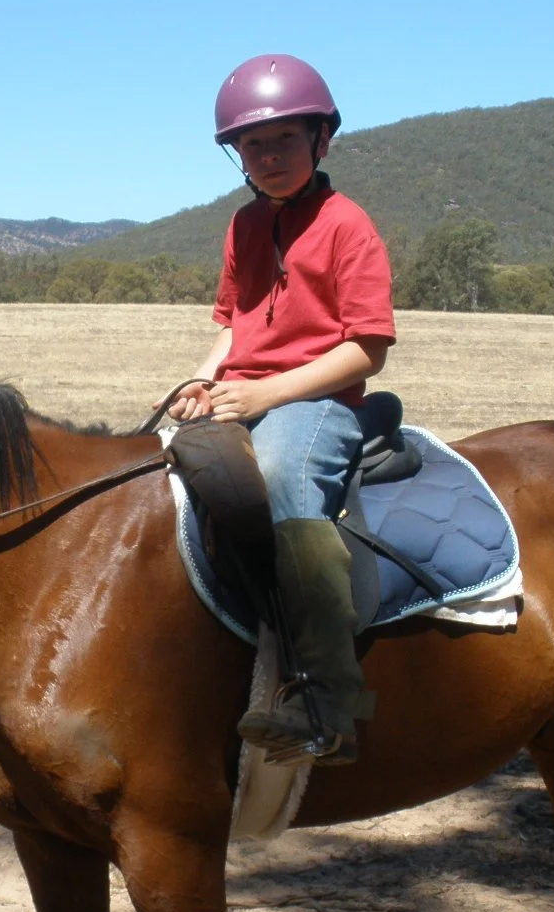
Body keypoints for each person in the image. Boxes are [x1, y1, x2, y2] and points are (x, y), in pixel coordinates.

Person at [160, 53, 396, 764]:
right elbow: (234, 323)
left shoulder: (348, 225)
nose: (267, 157)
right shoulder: (242, 227)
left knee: (289, 487)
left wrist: (267, 393)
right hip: (243, 391)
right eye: (252, 146)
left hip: (318, 399)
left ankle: (332, 703)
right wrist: (198, 381)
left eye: (284, 140)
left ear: (321, 139)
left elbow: (367, 350)